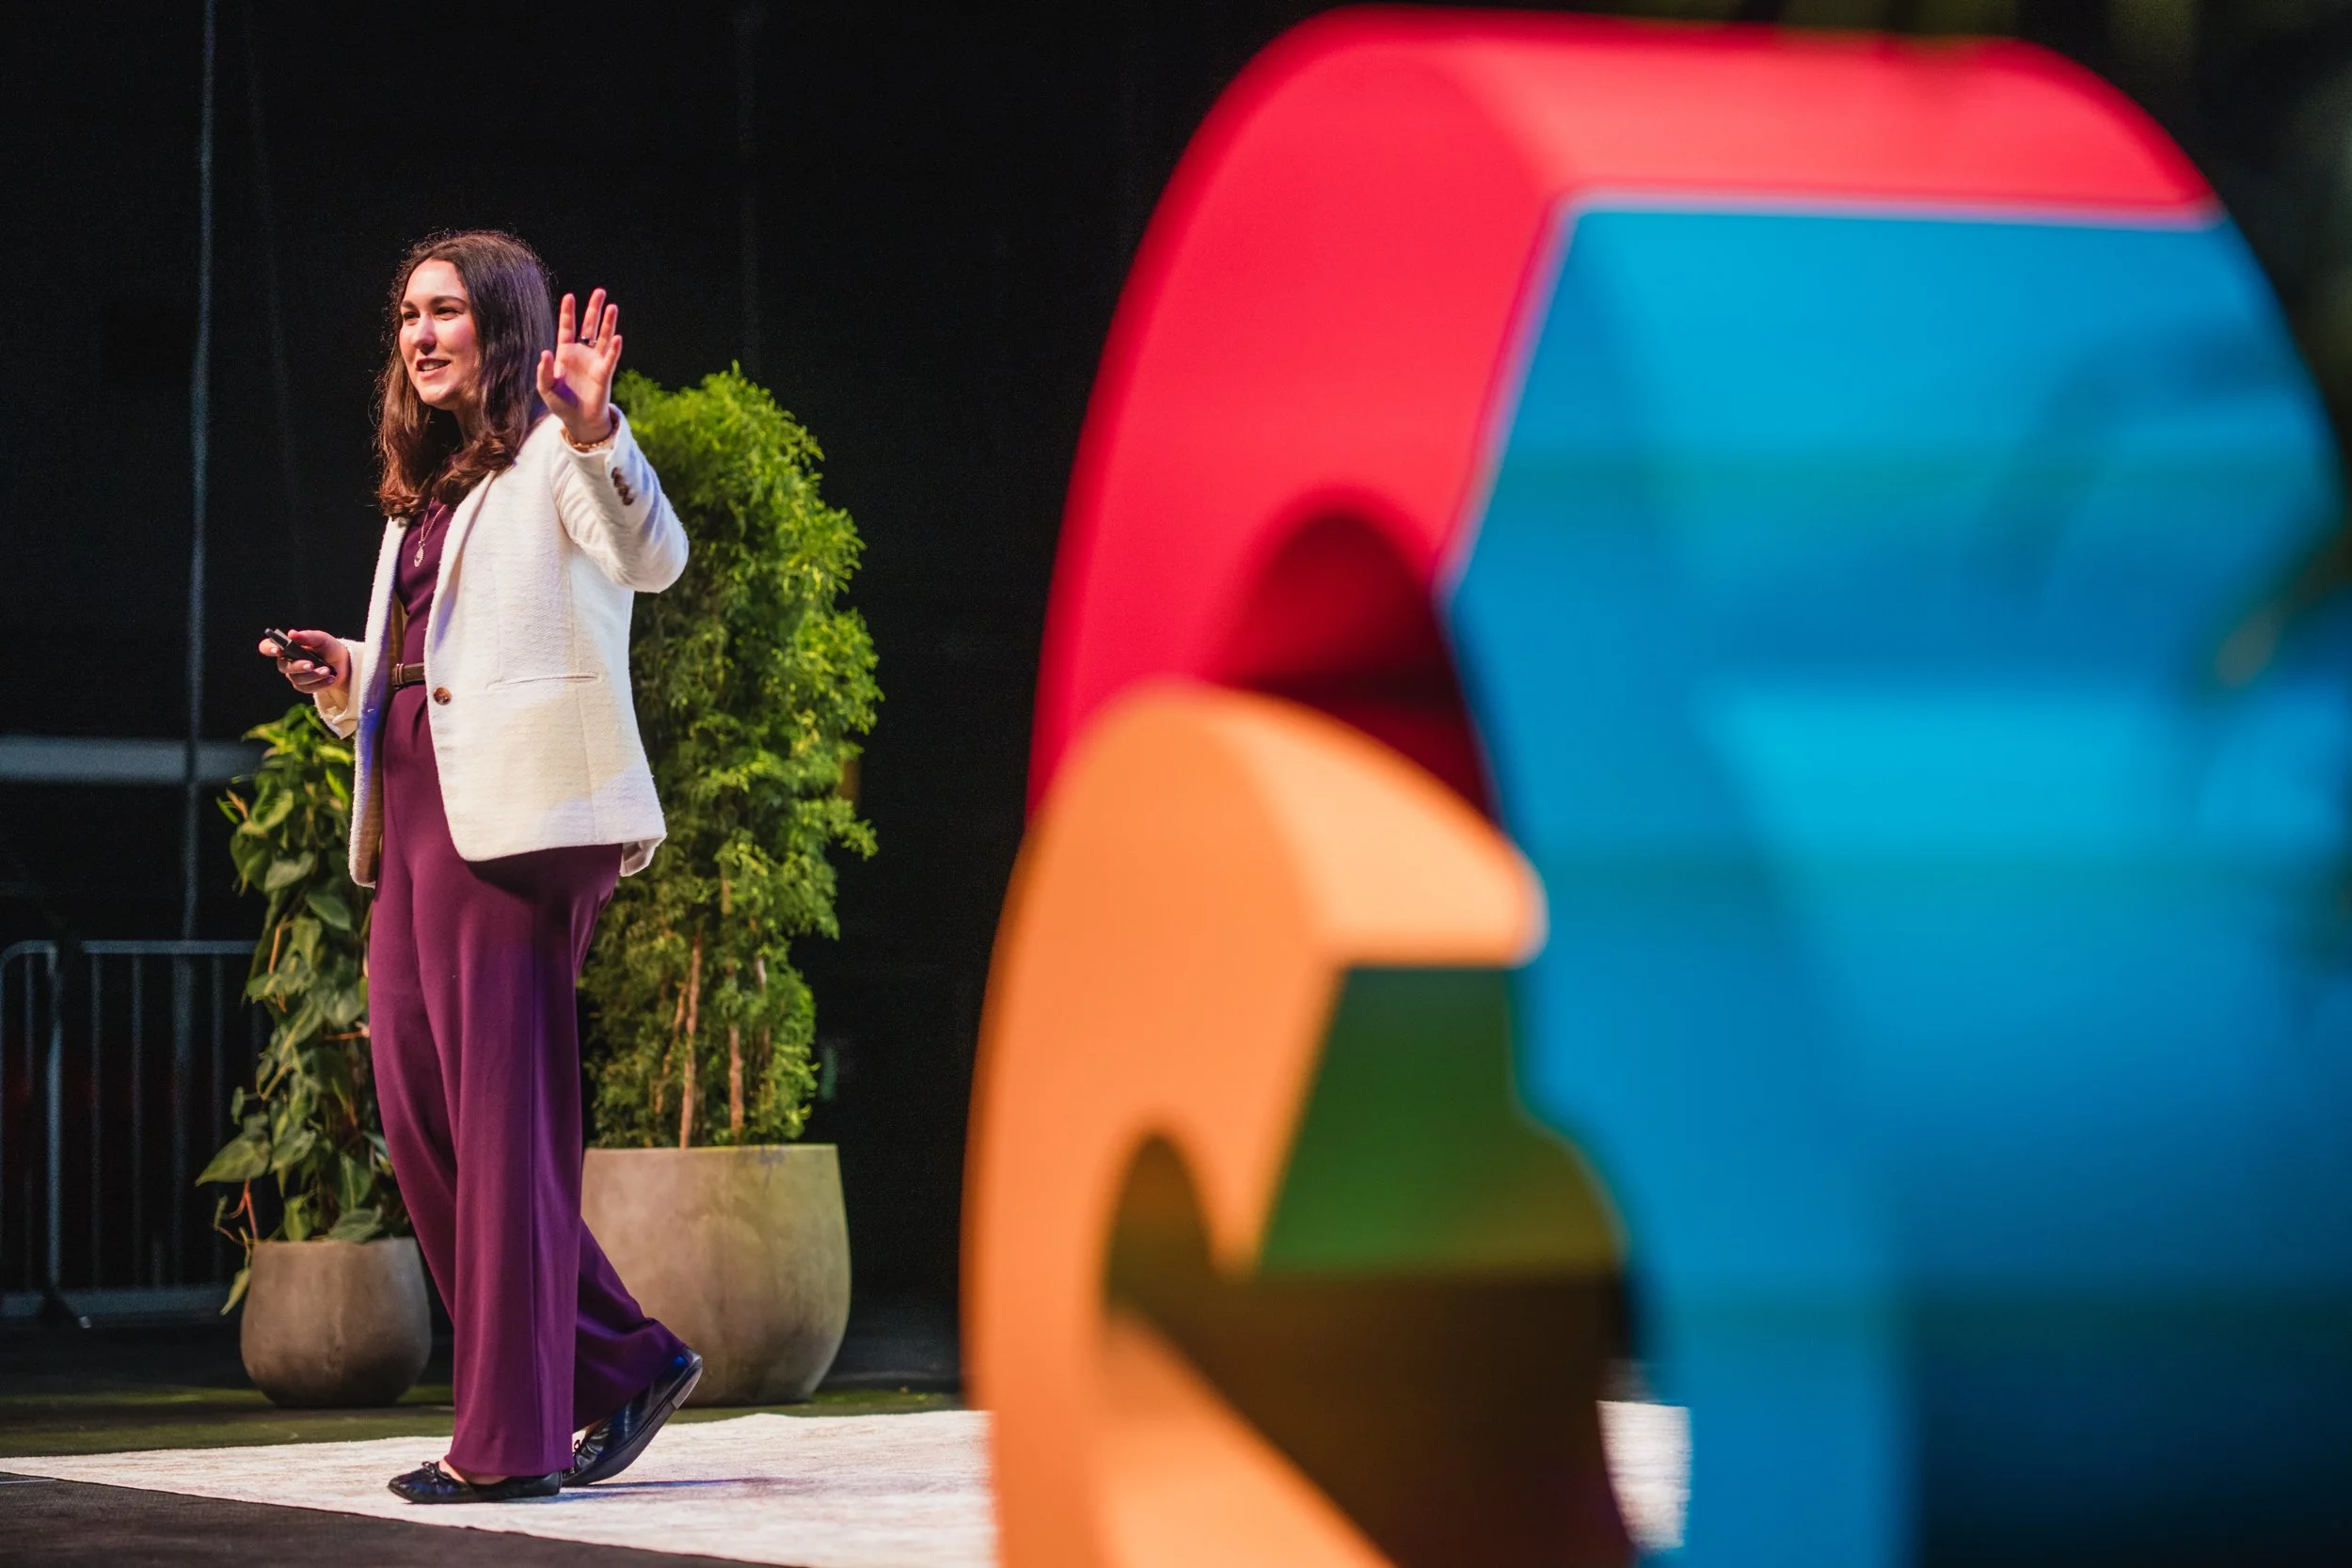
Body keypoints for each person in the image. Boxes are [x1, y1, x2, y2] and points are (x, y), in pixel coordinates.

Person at [267, 230, 701, 1504]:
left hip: (520, 826)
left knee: (506, 1128)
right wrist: (346, 677)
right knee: (423, 1120)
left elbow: (652, 555)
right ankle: (621, 1357)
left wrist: (598, 431)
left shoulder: (553, 462)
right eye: (408, 313)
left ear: (502, 328)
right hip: (414, 813)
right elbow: (436, 660)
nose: (421, 333)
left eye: (447, 311)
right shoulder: (432, 494)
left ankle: (507, 1441)